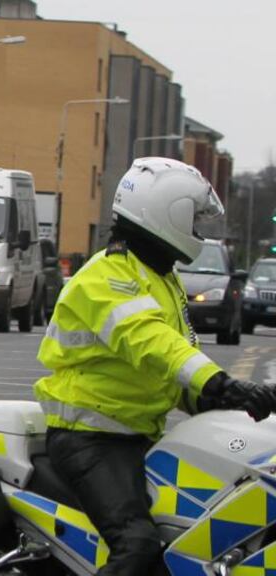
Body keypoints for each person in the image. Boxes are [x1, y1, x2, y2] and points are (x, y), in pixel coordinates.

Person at [34, 157, 276, 575]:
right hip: (91, 438)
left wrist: (235, 404)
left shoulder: (160, 277)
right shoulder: (108, 275)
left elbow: (175, 366)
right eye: (194, 220)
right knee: (139, 544)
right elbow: (151, 342)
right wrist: (221, 383)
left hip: (135, 434)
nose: (199, 232)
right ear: (167, 213)